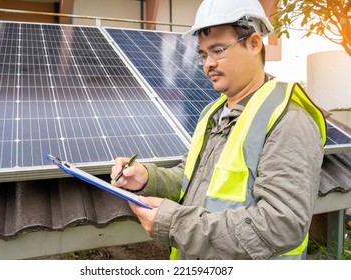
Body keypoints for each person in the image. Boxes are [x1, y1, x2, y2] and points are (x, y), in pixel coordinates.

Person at [111, 0, 327, 260]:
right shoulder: (213, 113)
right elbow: (192, 179)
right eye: (203, 54)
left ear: (254, 43)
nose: (207, 64)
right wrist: (148, 178)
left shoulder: (288, 120)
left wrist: (176, 224)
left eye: (218, 50)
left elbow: (281, 224)